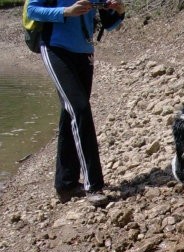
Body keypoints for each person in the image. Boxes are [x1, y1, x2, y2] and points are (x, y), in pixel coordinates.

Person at [26, 0, 125, 204]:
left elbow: (109, 24)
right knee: (80, 109)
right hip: (55, 48)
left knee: (70, 111)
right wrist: (66, 12)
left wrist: (119, 11)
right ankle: (94, 186)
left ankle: (66, 184)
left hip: (84, 53)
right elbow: (32, 10)